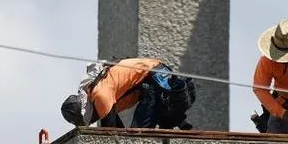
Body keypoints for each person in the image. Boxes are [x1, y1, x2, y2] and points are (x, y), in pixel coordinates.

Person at [61, 57, 196, 130]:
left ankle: (177, 120)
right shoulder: (99, 92)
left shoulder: (100, 95)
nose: (92, 121)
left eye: (88, 120)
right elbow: (117, 128)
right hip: (155, 77)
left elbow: (110, 131)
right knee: (159, 126)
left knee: (138, 135)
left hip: (153, 80)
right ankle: (179, 121)